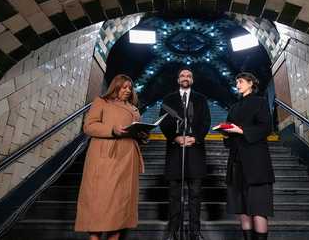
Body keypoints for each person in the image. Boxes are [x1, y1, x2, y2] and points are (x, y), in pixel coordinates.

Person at [75, 74, 145, 240]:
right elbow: (89, 126)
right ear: (115, 87)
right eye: (124, 87)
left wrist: (142, 135)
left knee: (120, 205)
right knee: (100, 200)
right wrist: (112, 130)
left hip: (128, 160)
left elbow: (136, 133)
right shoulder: (102, 102)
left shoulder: (134, 109)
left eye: (130, 87)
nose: (127, 90)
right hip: (106, 157)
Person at [159, 67, 211, 240]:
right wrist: (175, 138)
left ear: (192, 80)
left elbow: (206, 122)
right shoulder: (168, 99)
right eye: (182, 75)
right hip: (175, 152)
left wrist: (195, 138)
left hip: (195, 152)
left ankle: (196, 231)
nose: (185, 77)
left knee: (195, 194)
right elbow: (163, 121)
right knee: (174, 195)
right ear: (178, 79)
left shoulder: (201, 99)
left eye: (189, 75)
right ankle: (173, 231)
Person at [220, 72, 274, 240]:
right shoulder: (234, 107)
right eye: (237, 82)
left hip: (256, 164)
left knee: (258, 209)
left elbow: (266, 128)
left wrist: (241, 130)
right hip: (236, 163)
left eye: (241, 81)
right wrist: (226, 133)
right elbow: (229, 133)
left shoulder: (260, 102)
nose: (237, 85)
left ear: (251, 83)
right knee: (241, 209)